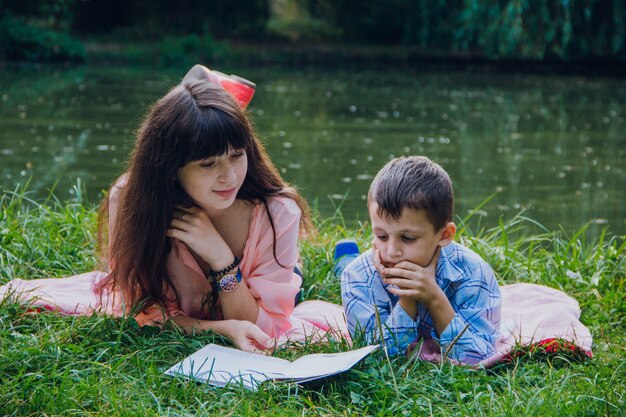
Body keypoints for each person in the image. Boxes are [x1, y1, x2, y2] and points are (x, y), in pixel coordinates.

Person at [0, 65, 347, 353]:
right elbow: (141, 308)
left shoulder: (278, 212)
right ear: (171, 168)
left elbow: (267, 326)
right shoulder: (134, 200)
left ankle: (317, 266)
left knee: (295, 282)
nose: (229, 177)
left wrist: (222, 258)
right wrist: (221, 328)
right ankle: (201, 91)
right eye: (208, 164)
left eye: (237, 155)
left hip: (267, 280)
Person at [338, 156, 501, 364]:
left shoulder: (474, 273)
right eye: (381, 236)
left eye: (407, 238)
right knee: (346, 267)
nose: (391, 253)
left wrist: (435, 298)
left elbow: (478, 355)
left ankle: (346, 254)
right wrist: (407, 299)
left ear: (444, 235)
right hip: (359, 269)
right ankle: (344, 259)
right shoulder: (356, 277)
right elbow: (376, 358)